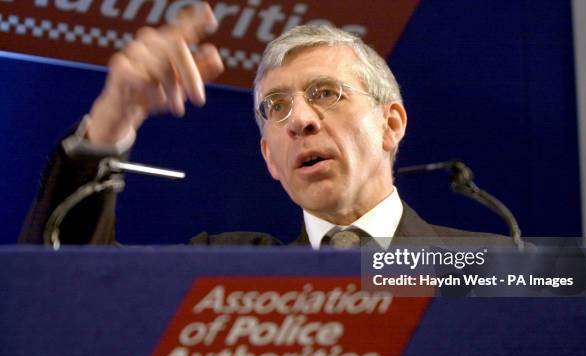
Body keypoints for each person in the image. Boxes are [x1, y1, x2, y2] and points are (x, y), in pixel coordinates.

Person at [19, 2, 498, 248]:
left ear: (390, 123)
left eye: (325, 94)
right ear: (270, 157)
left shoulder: (498, 268)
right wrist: (109, 122)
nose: (301, 121)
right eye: (276, 107)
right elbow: (63, 284)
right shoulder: (223, 276)